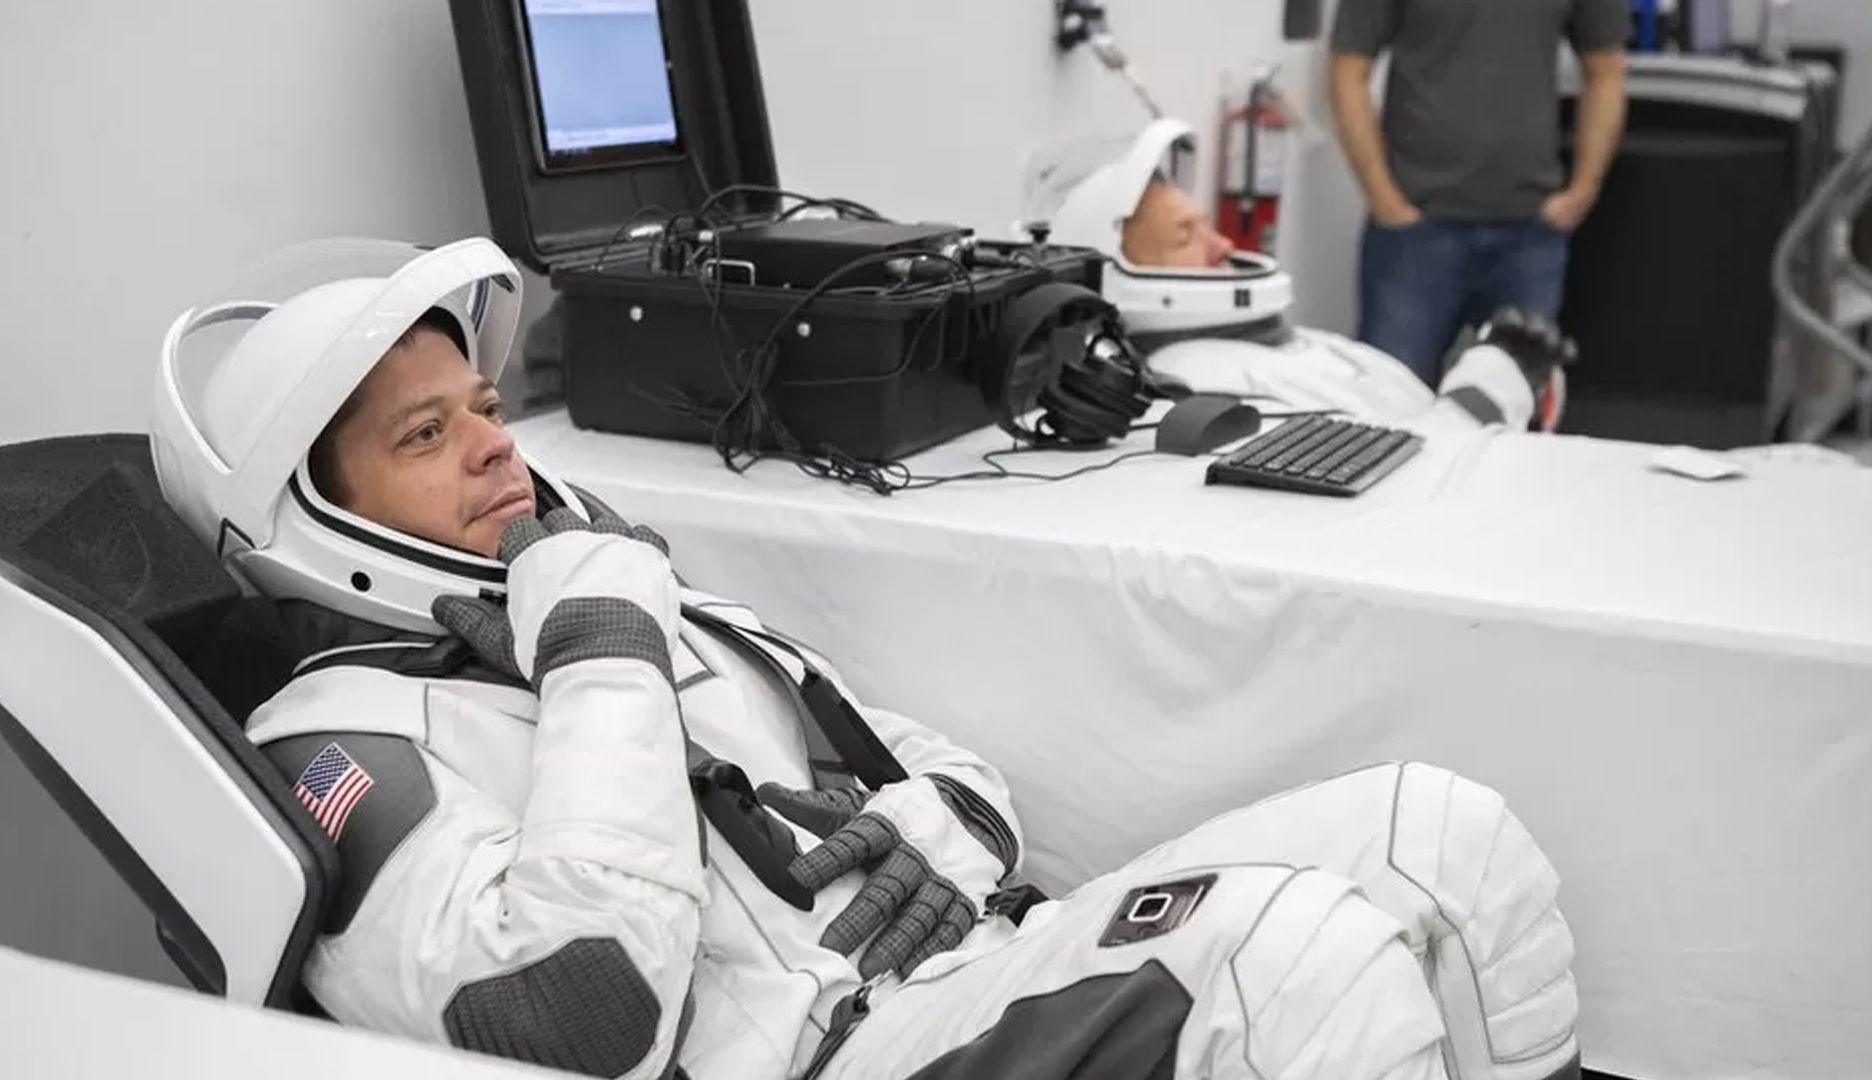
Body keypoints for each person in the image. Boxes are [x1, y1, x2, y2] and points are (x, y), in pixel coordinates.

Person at [151, 238, 1582, 1080]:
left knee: (1450, 839)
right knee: (1301, 967)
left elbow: (922, 756)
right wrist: (596, 638)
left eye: (480, 405)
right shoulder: (332, 745)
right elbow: (586, 1013)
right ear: (305, 513)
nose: (495, 443)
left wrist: (940, 834)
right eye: (427, 435)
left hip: (954, 966)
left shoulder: (611, 592)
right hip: (824, 1061)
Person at [1038, 120, 1574, 435]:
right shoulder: (1195, 381)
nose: (1224, 244)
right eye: (1186, 237)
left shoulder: (1269, 344)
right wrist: (1496, 375)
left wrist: (1517, 378)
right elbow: (1409, 478)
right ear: (1129, 272)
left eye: (1207, 226)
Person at [1327, 0, 1628, 386]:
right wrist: (1383, 198)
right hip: (1414, 236)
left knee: (1517, 410)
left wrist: (1584, 190)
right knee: (1390, 406)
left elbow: (1606, 70)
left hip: (1530, 236)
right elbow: (1347, 71)